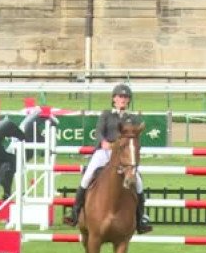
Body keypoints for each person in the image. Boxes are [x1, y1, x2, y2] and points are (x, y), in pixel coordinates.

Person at [64, 83, 153, 234]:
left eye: (126, 97)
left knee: (138, 181)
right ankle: (75, 212)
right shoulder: (106, 115)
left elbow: (135, 137)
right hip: (105, 152)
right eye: (120, 96)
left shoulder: (133, 118)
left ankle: (140, 219)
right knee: (87, 176)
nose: (123, 99)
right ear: (114, 99)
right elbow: (98, 132)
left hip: (123, 156)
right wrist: (103, 142)